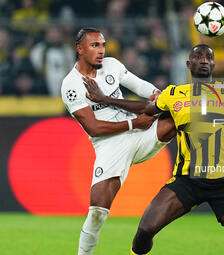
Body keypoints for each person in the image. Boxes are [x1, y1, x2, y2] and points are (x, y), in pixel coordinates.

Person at [83, 44, 224, 255]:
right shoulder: (175, 93)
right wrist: (105, 99)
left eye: (208, 57)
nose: (204, 60)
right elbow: (145, 108)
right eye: (198, 56)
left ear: (214, 64)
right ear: (189, 64)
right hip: (187, 180)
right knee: (145, 230)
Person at [61, 27, 176, 255]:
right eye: (95, 45)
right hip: (109, 145)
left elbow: (139, 85)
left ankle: (193, 171)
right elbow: (93, 128)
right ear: (80, 49)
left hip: (138, 133)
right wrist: (134, 124)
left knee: (176, 115)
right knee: (97, 212)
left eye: (103, 45)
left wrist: (156, 93)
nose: (101, 50)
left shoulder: (112, 65)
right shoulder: (71, 85)